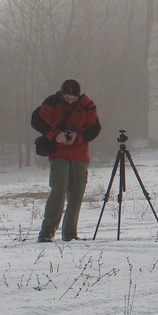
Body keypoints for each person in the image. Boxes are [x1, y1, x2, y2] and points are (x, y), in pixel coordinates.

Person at [31, 79, 101, 242]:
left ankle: (70, 234)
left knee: (76, 193)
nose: (70, 102)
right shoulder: (52, 102)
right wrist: (55, 134)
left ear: (78, 96)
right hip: (58, 153)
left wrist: (78, 136)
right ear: (62, 94)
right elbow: (36, 120)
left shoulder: (87, 105)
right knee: (58, 190)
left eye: (73, 99)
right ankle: (47, 232)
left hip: (80, 154)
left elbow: (95, 128)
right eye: (67, 99)